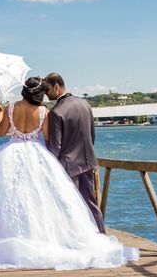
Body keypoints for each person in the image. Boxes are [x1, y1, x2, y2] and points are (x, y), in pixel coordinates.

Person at [0, 76, 138, 270]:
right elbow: (48, 140)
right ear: (39, 93)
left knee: (7, 199)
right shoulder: (45, 111)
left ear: (24, 91)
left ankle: (6, 235)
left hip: (10, 154)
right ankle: (43, 237)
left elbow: (0, 132)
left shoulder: (10, 107)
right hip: (36, 154)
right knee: (39, 199)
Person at [44, 72, 105, 233]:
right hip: (88, 161)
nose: (45, 93)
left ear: (56, 87)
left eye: (47, 89)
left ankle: (76, 239)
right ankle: (101, 235)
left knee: (69, 206)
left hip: (68, 166)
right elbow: (92, 135)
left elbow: (55, 147)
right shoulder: (85, 104)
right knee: (91, 203)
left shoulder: (56, 112)